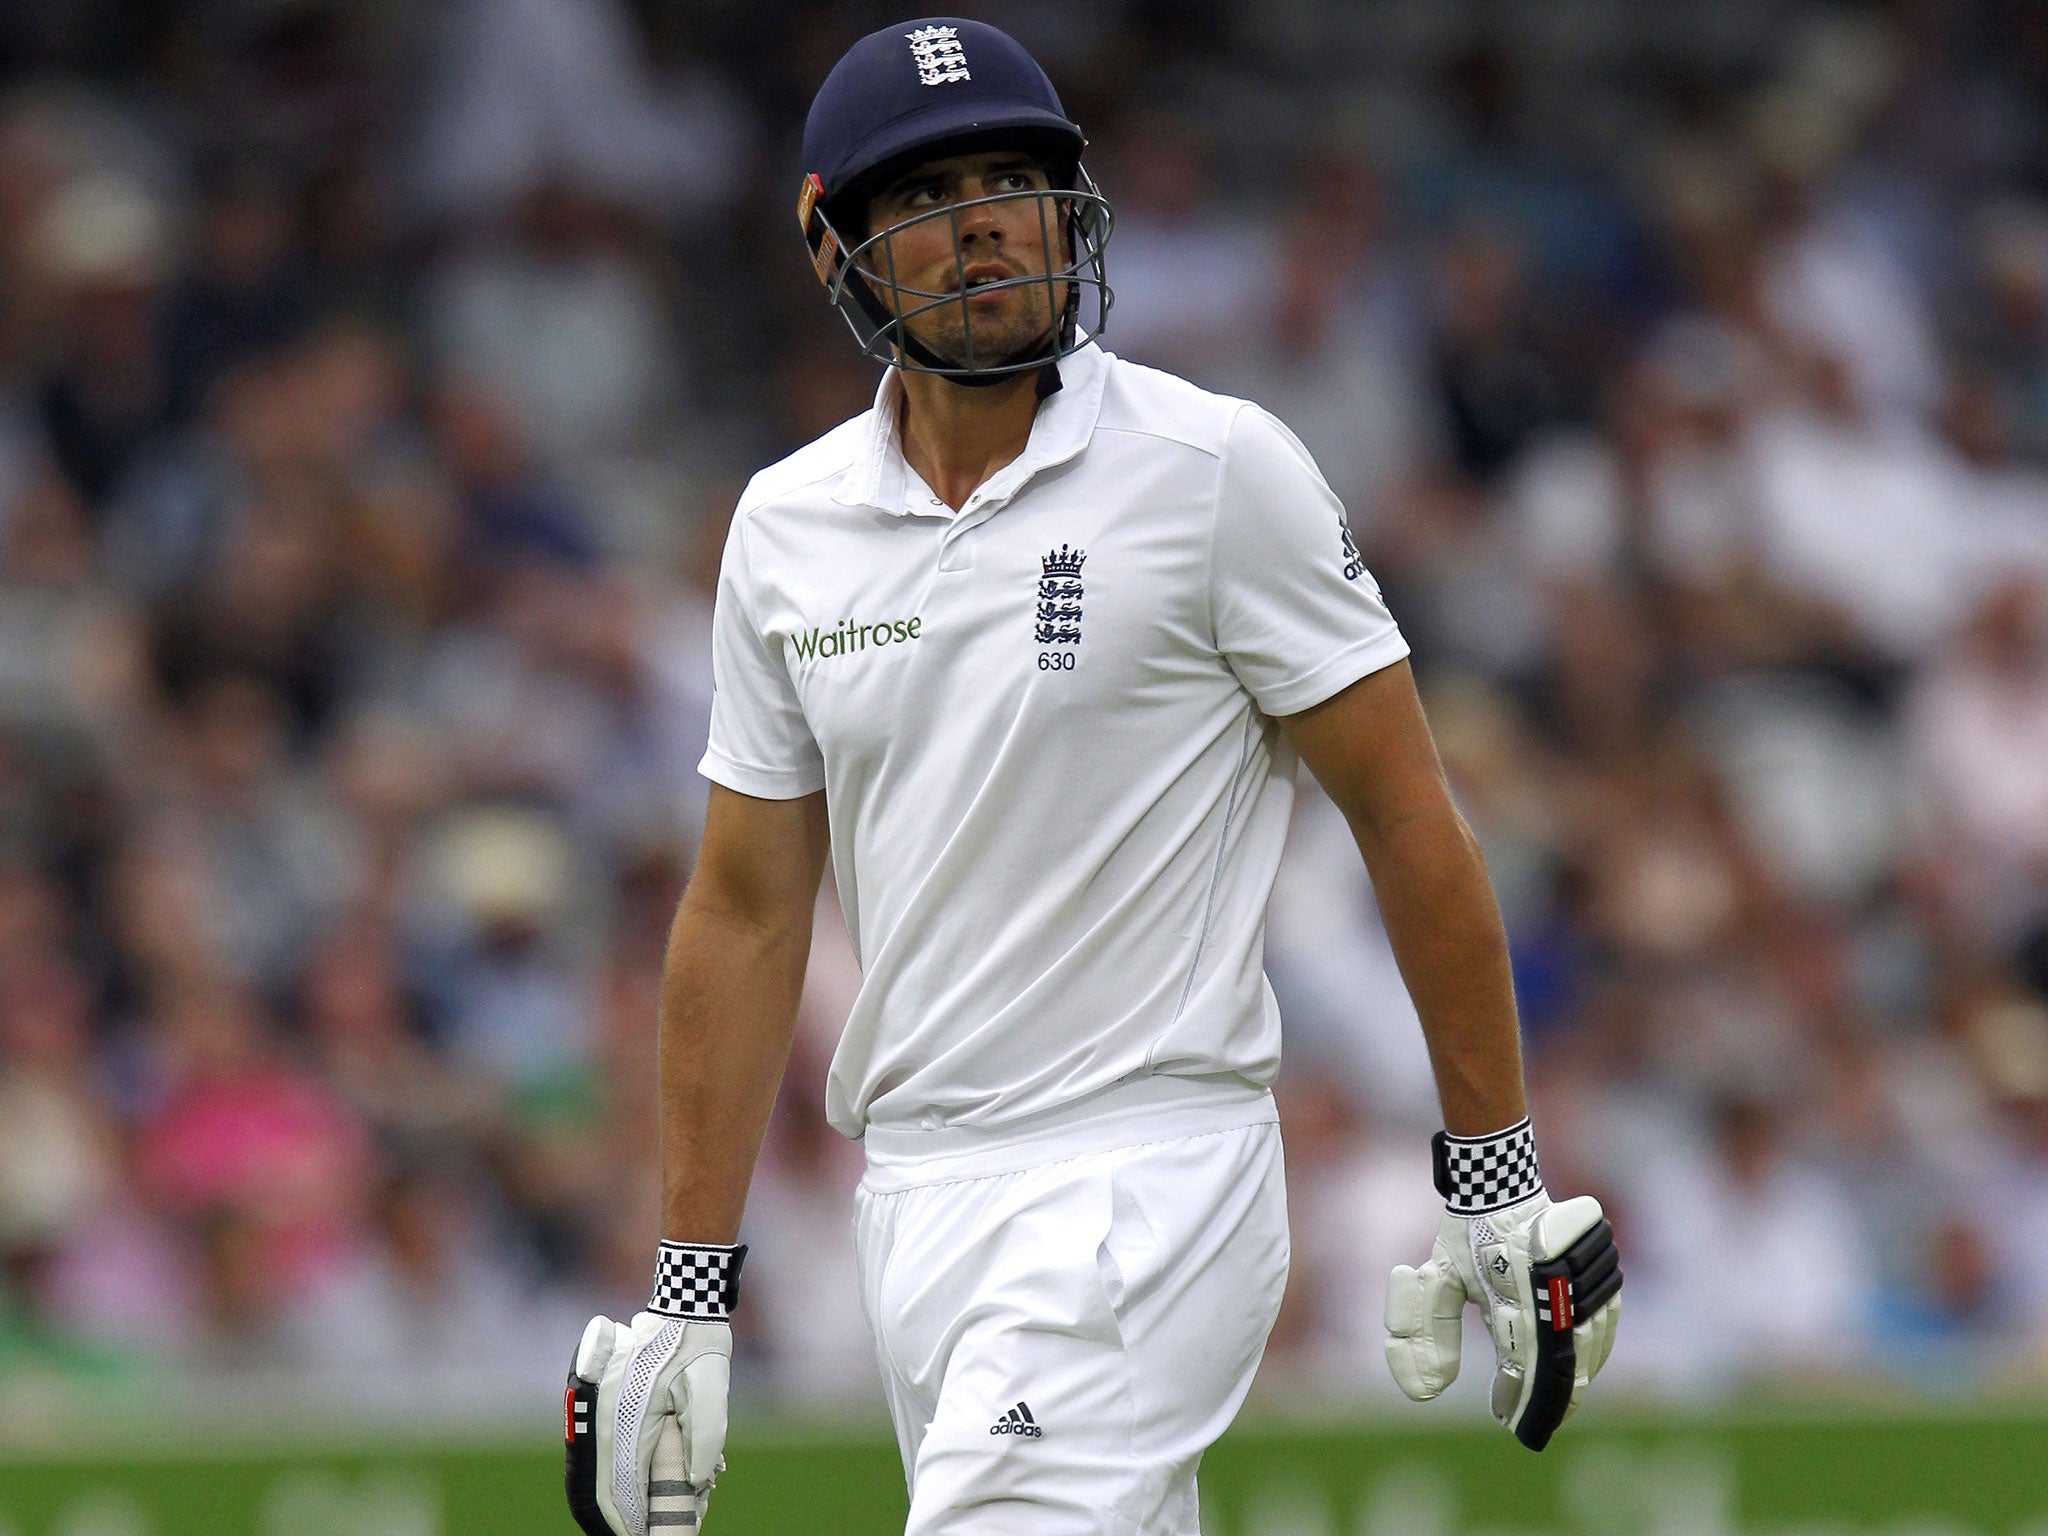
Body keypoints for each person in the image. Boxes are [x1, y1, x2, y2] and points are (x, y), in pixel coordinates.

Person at [565, 18, 1622, 1536]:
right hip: (917, 1197)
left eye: (1016, 179)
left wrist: (1496, 1168)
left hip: (1150, 1173)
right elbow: (742, 911)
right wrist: (687, 1288)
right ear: (835, 247)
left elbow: (1406, 816)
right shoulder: (784, 527)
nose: (987, 221)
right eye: (928, 196)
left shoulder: (1214, 470)